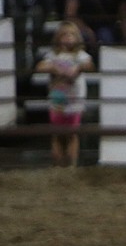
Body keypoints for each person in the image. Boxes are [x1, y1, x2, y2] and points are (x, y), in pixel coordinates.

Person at [34, 21, 96, 168]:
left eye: (72, 35)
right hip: (57, 100)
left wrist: (78, 68)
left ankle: (71, 166)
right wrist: (54, 68)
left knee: (73, 134)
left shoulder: (80, 56)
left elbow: (90, 65)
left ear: (77, 38)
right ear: (58, 38)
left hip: (75, 100)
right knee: (57, 134)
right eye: (64, 34)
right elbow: (40, 67)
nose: (68, 38)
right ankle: (58, 165)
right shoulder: (53, 56)